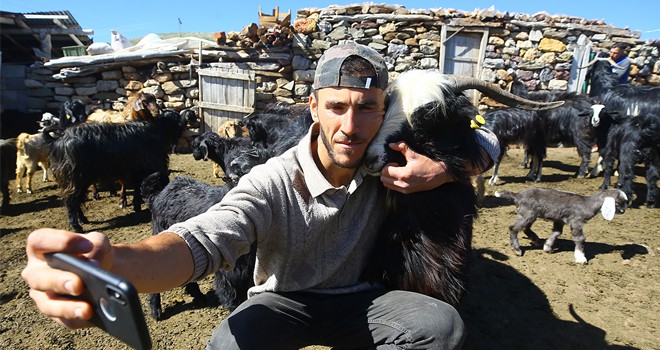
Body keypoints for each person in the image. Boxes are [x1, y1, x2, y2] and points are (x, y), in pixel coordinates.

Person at [22, 42, 497, 349]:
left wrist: (441, 171)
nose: (350, 126)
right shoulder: (272, 180)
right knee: (226, 345)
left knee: (441, 326)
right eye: (336, 107)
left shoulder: (388, 162)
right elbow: (201, 240)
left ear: (385, 113)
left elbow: (486, 141)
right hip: (284, 300)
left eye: (366, 109)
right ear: (313, 107)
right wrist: (117, 266)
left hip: (364, 301)